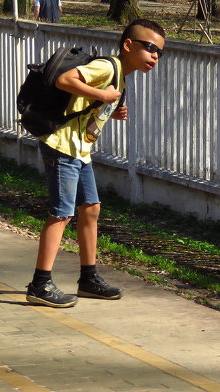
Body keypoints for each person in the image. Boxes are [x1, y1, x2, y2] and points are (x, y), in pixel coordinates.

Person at [26, 18, 167, 308]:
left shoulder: (121, 75)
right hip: (62, 145)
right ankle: (40, 284)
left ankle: (88, 279)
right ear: (128, 45)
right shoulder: (107, 67)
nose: (155, 55)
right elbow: (64, 80)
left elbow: (81, 101)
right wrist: (102, 95)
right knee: (61, 213)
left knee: (91, 209)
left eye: (160, 52)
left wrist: (105, 108)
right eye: (150, 47)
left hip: (80, 149)